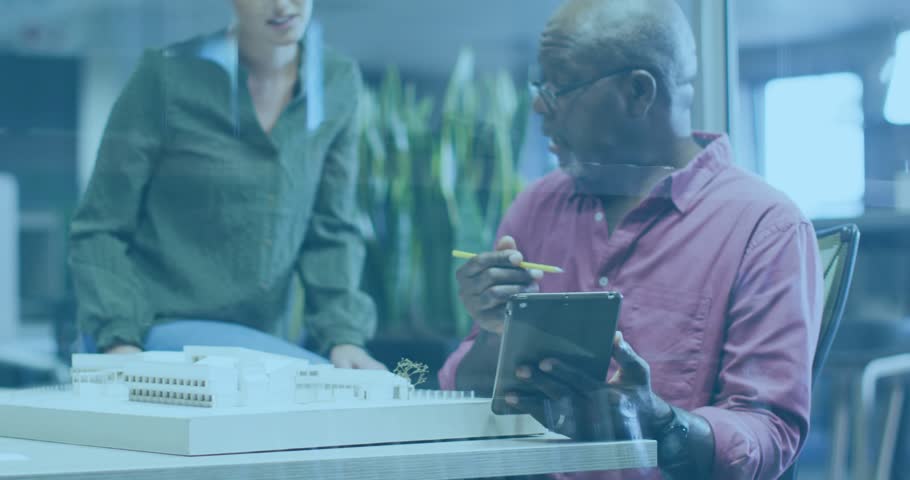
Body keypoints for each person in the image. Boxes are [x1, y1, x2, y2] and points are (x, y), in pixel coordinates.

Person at [439, 0, 823, 478]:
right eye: (540, 88)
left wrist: (662, 423)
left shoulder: (765, 228)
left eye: (559, 88)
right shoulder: (536, 208)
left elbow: (770, 433)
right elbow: (463, 389)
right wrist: (493, 332)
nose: (538, 106)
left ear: (639, 92)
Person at [69, 0, 385, 370]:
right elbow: (99, 228)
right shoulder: (167, 76)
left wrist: (344, 338)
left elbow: (332, 228)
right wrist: (120, 342)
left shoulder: (335, 82)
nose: (282, 5)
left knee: (344, 388)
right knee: (308, 376)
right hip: (148, 331)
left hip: (257, 346)